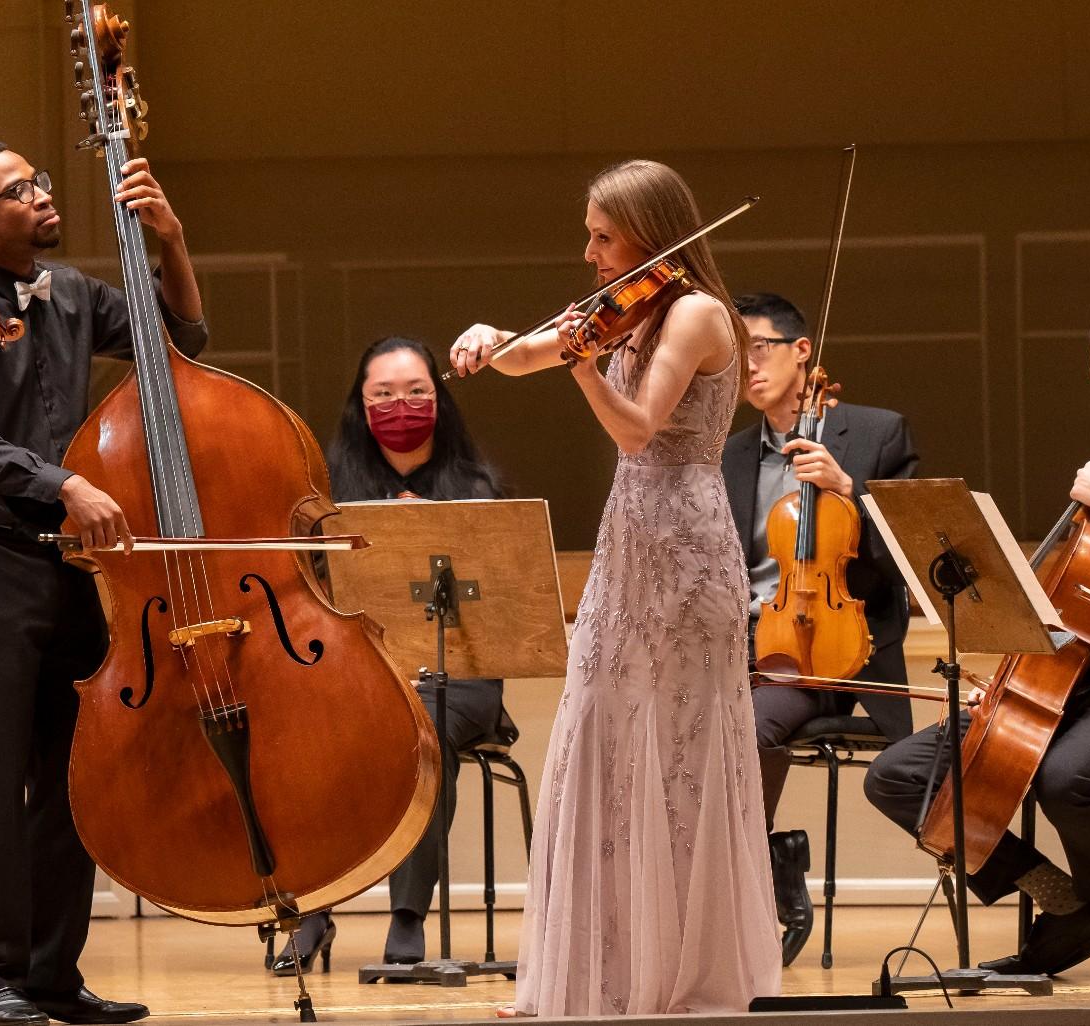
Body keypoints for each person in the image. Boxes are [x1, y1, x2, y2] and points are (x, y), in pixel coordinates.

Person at [452, 159, 782, 1015]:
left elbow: (638, 432)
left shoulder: (698, 314)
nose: (591, 252)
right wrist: (493, 337)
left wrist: (582, 366)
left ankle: (680, 974)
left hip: (686, 540)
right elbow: (528, 354)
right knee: (599, 725)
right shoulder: (623, 312)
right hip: (629, 538)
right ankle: (603, 975)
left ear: (650, 233)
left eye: (604, 236)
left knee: (676, 747)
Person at [0, 140, 205, 1026]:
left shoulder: (72, 292)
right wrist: (66, 482)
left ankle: (49, 974)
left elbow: (178, 343)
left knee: (72, 773)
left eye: (39, 181)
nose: (41, 195)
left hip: (72, 566)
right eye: (19, 189)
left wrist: (173, 242)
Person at [863, 316, 1090, 976]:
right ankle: (1060, 900)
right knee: (897, 777)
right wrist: (1015, 659)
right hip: (1068, 675)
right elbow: (1063, 601)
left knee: (1066, 779)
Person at [268, 336, 514, 975]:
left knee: (421, 728)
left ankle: (408, 915)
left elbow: (501, 599)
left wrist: (431, 532)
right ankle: (315, 906)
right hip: (361, 664)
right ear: (360, 403)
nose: (399, 406)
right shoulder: (328, 486)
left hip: (456, 673)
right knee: (309, 732)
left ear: (439, 399)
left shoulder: (477, 484)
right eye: (382, 394)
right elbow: (306, 585)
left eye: (415, 393)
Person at [724, 292, 917, 964]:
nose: (745, 365)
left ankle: (768, 884)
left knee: (744, 729)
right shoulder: (731, 455)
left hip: (836, 649)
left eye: (758, 347)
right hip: (746, 643)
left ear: (801, 351)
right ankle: (744, 887)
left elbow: (911, 559)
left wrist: (848, 492)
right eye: (734, 353)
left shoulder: (877, 434)